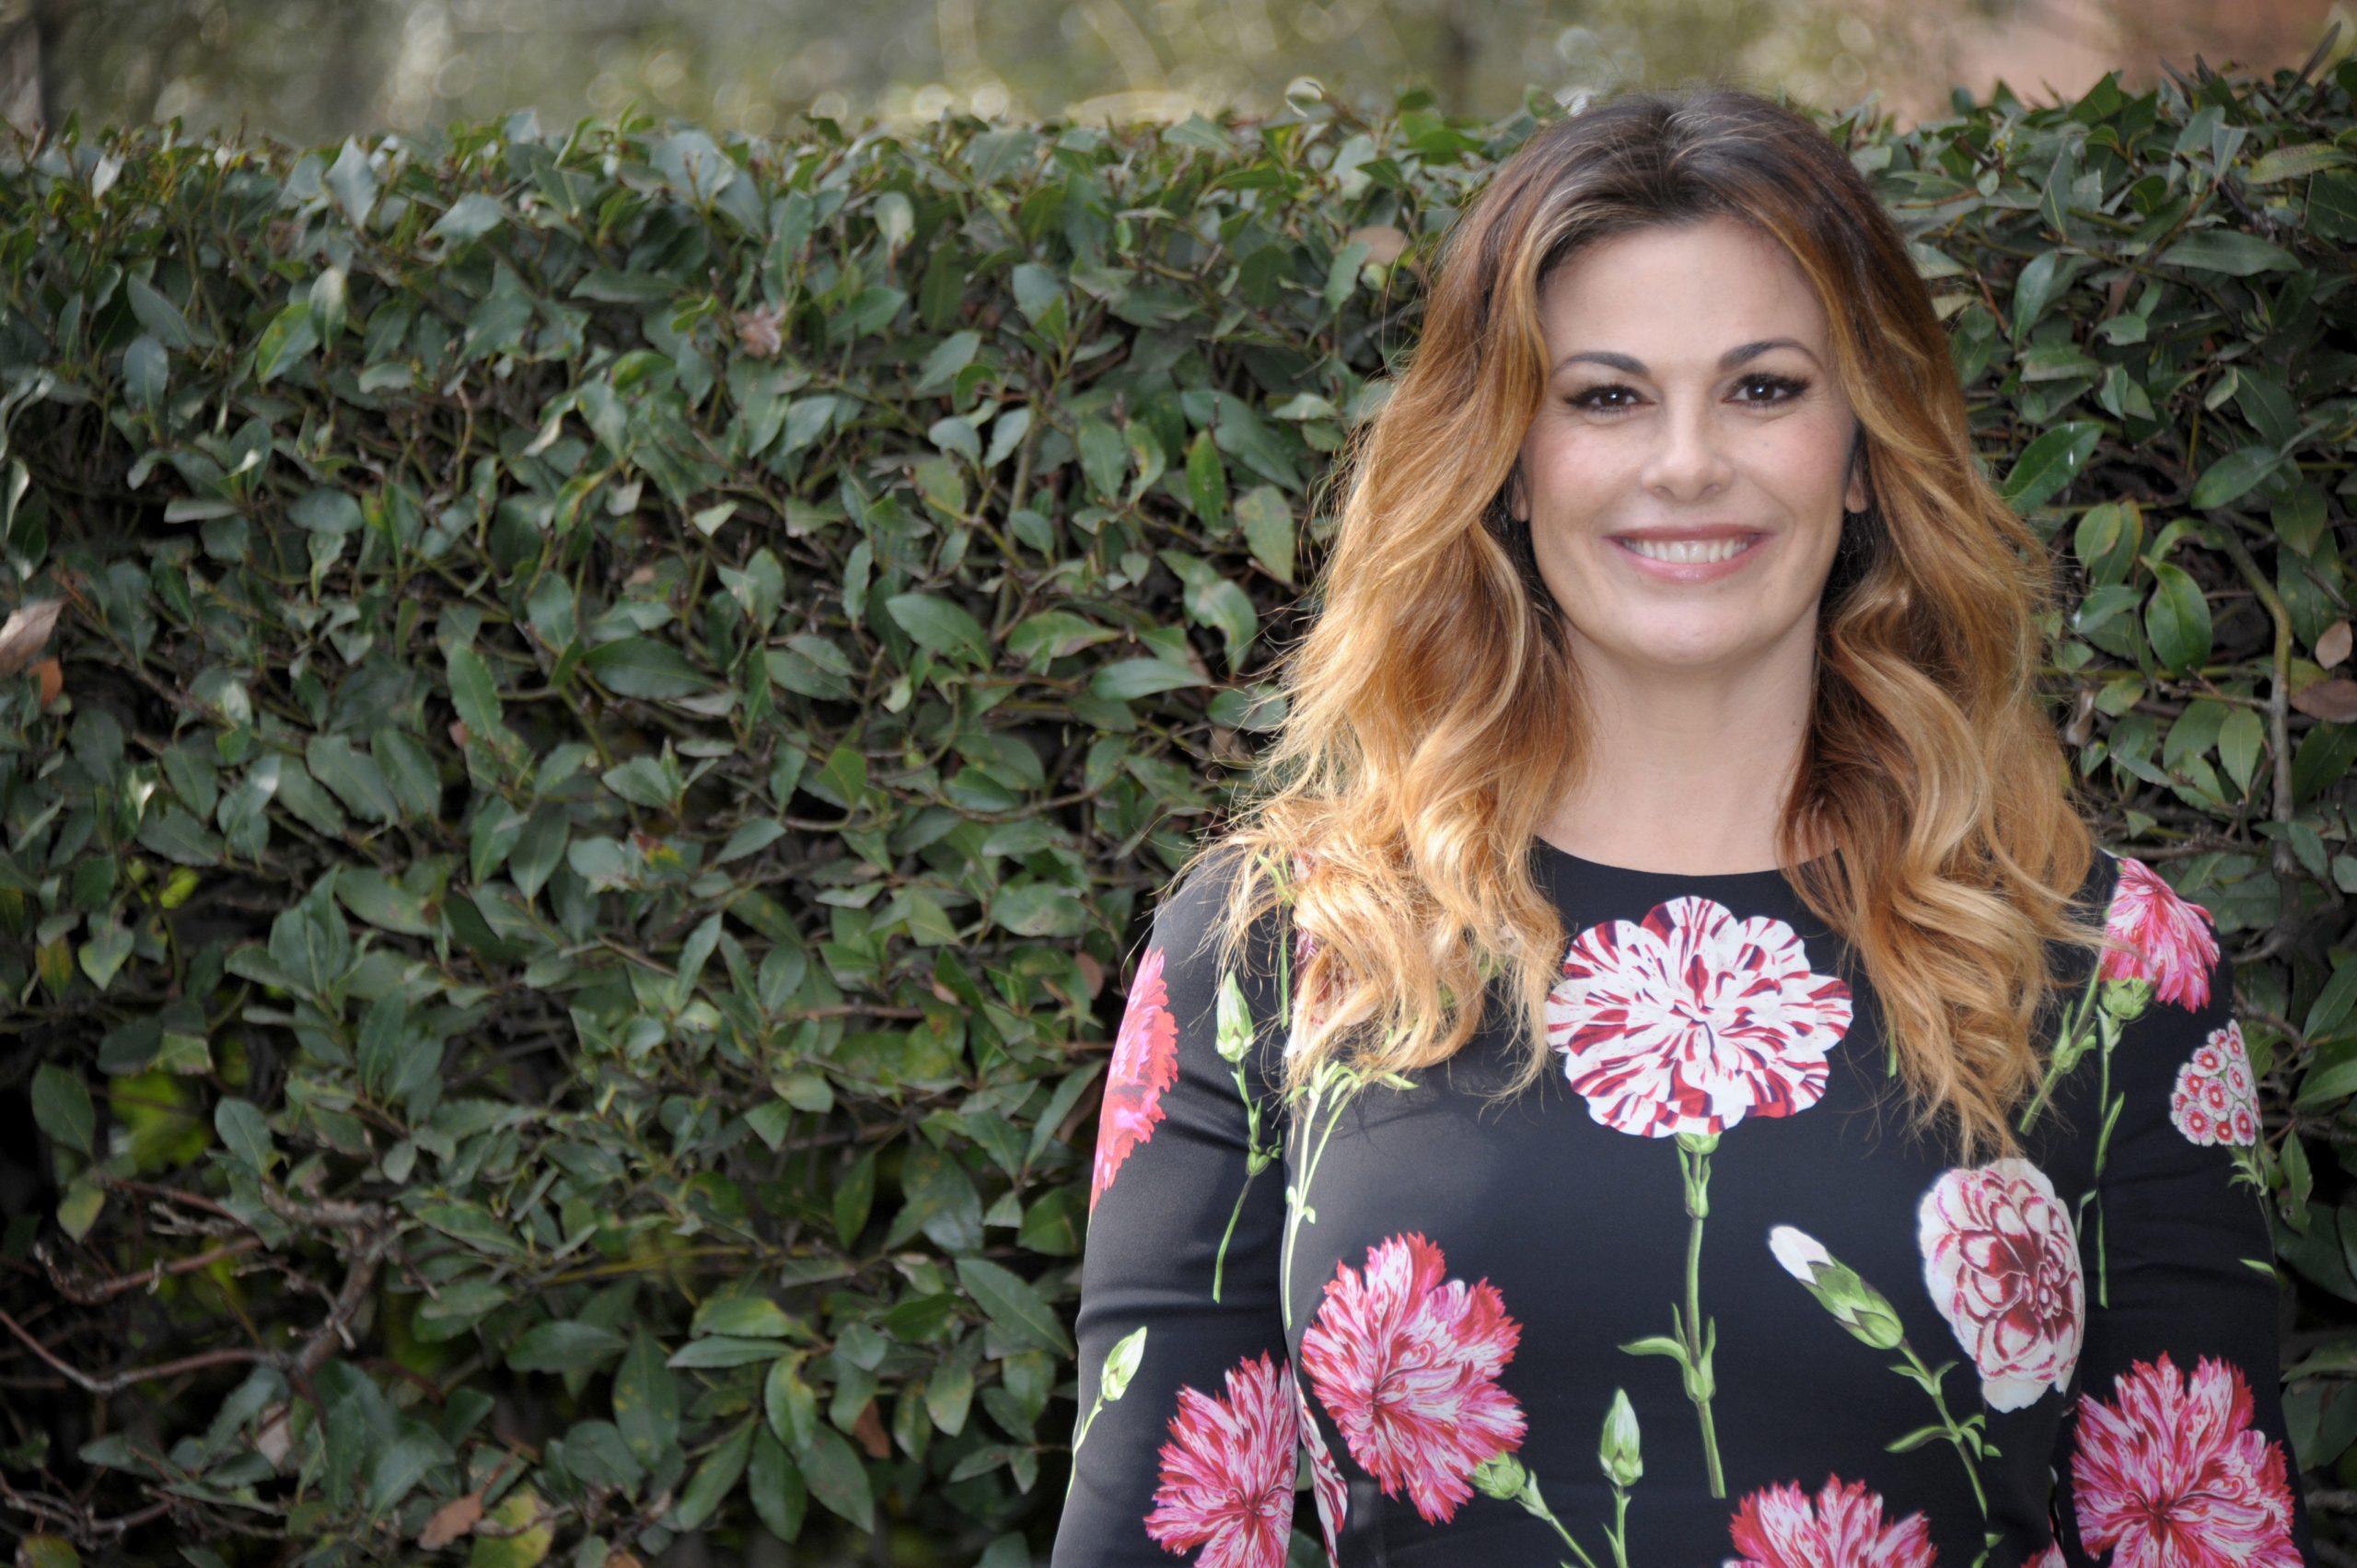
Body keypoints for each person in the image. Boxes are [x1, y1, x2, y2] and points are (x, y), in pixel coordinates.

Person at [1051, 82, 2308, 1568]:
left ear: (1863, 449)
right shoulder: (1281, 945)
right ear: (1508, 461)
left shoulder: (2108, 965)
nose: (1689, 462)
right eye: (1606, 396)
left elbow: (2204, 1530)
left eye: (1764, 388)